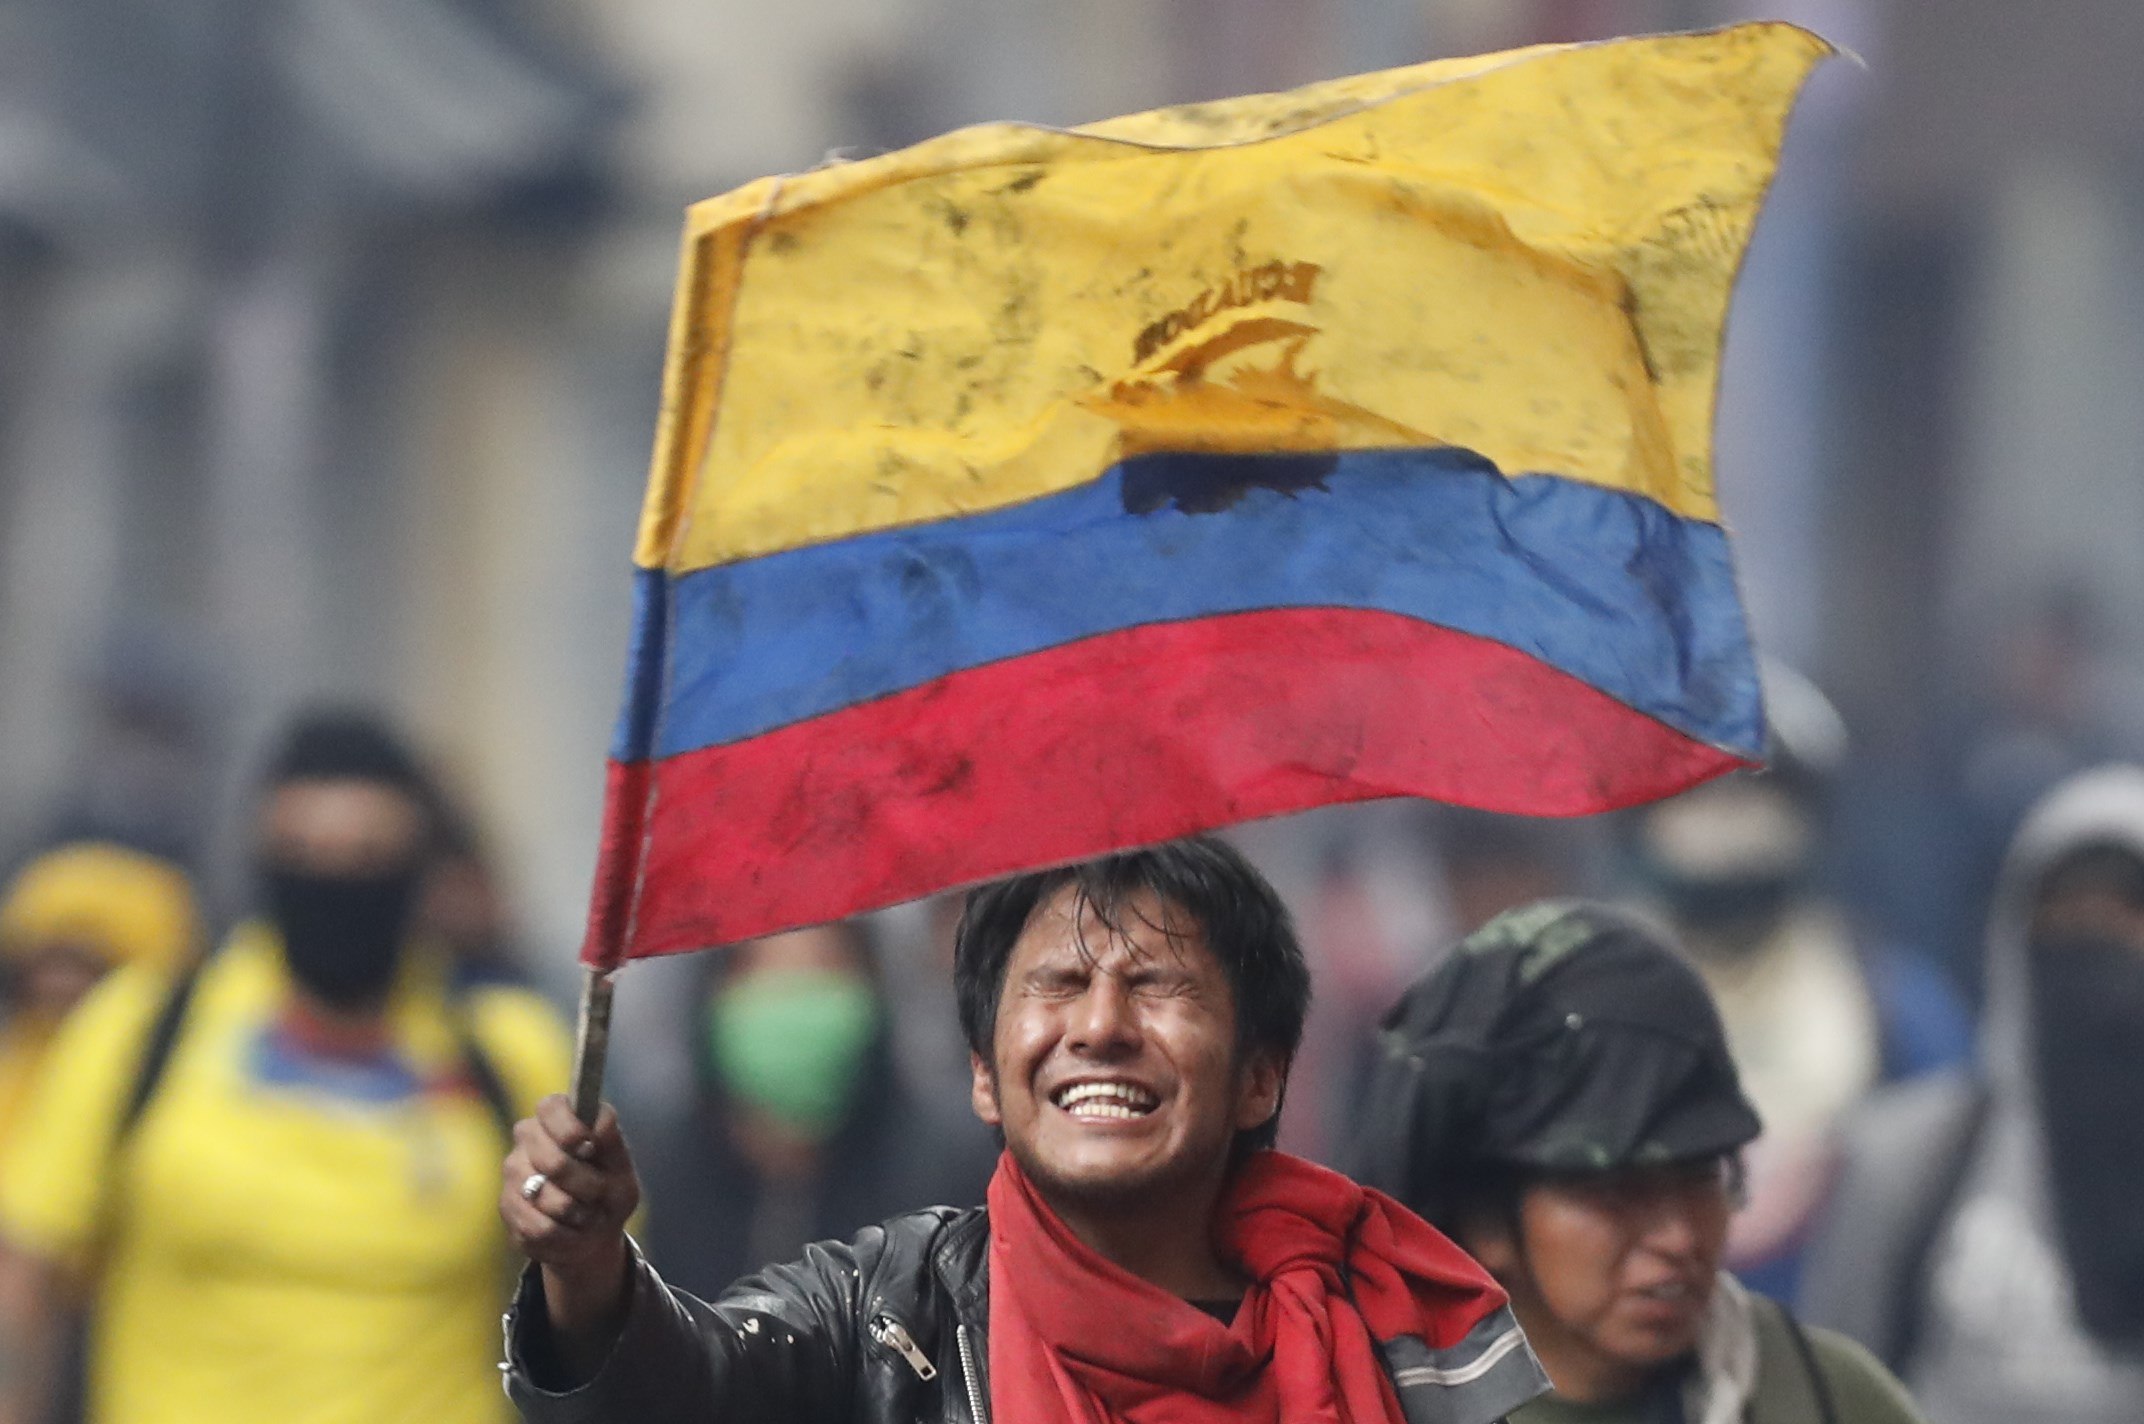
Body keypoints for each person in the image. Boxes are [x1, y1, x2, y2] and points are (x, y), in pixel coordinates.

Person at [499, 836, 1550, 1424]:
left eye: (1157, 983)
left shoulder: (1394, 1326)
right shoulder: (887, 1316)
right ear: (983, 1077)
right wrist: (589, 1267)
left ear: (1259, 1074)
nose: (1098, 1026)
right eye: (1054, 984)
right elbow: (685, 1385)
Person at [0, 710, 572, 1424]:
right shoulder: (144, 1029)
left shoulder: (510, 1056)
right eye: (303, 855)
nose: (334, 887)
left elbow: (592, 1301)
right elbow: (30, 1267)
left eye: (369, 859)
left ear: (422, 869)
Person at [1344, 900, 1926, 1424]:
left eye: (1700, 1175)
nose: (1677, 1237)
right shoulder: (1351, 1406)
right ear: (1483, 1218)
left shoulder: (1821, 1400)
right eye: (1615, 1192)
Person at [1800, 765, 2144, 1424]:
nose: (2095, 948)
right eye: (2066, 916)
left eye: (2129, 915)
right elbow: (1832, 1386)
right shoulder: (1915, 1158)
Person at [1620, 667, 1971, 1299]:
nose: (1724, 830)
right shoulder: (1570, 1000)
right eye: (1693, 797)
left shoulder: (1893, 1005)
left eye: (1751, 797)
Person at [637, 918, 998, 1299]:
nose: (793, 994)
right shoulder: (657, 1175)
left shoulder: (948, 1181)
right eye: (764, 969)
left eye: (822, 967)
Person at [0, 843, 200, 1167]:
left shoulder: (158, 1097)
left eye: (87, 968)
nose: (59, 984)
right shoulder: (11, 1062)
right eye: (50, 961)